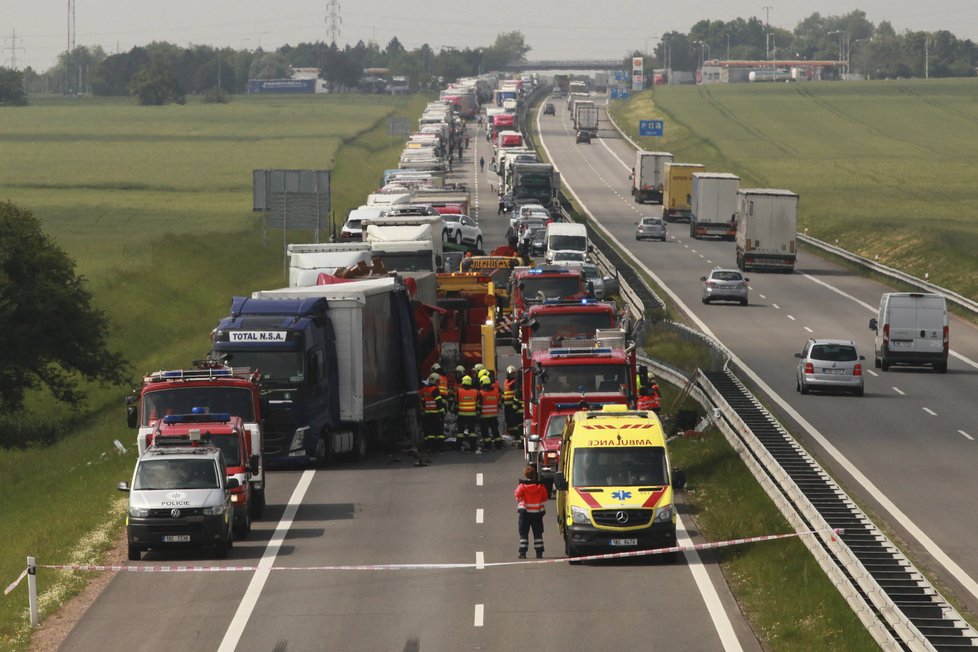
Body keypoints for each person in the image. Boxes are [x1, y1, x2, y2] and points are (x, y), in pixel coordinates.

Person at [515, 465, 548, 559]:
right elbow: (545, 497)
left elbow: (517, 494)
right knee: (538, 533)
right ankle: (539, 552)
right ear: (534, 475)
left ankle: (522, 553)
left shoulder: (522, 486)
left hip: (524, 513)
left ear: (525, 475)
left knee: (523, 533)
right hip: (537, 513)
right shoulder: (540, 486)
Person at [420, 373, 447, 455]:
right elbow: (439, 402)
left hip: (427, 414)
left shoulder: (424, 389)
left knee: (429, 432)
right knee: (439, 432)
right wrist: (443, 411)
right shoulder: (435, 390)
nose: (438, 383)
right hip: (436, 414)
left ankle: (430, 447)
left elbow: (423, 401)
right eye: (437, 381)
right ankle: (440, 447)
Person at [454, 375, 481, 452]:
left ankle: (458, 447)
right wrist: (477, 411)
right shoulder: (475, 392)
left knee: (460, 432)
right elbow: (478, 404)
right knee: (472, 432)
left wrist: (456, 411)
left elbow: (456, 403)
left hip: (461, 415)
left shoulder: (459, 391)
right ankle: (473, 447)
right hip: (472, 415)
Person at [479, 376, 502, 451]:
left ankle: (487, 445)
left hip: (484, 416)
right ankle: (499, 444)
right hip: (494, 415)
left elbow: (479, 404)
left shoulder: (482, 393)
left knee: (485, 432)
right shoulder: (495, 391)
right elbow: (499, 401)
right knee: (495, 430)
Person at [503, 365, 522, 441]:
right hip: (506, 404)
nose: (512, 375)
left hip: (513, 404)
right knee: (508, 420)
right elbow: (504, 393)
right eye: (511, 374)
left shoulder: (515, 382)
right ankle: (511, 434)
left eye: (513, 374)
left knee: (513, 420)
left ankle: (515, 435)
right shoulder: (506, 381)